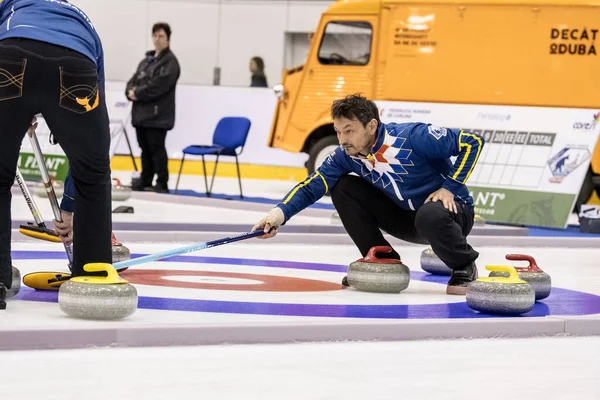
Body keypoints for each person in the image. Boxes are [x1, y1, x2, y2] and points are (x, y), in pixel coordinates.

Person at [253, 94, 485, 295]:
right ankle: (382, 257)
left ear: (372, 126)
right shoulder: (345, 155)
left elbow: (472, 142)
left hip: (451, 214)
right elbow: (312, 186)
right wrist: (277, 215)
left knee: (429, 215)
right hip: (407, 218)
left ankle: (464, 264)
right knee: (342, 187)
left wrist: (450, 188)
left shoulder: (412, 137)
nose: (342, 139)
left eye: (349, 131)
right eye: (338, 131)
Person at [0, 0, 112, 308]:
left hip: (9, 57)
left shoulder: (10, 7)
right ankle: (93, 280)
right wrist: (70, 206)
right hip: (76, 62)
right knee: (94, 175)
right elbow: (93, 151)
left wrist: (16, 110)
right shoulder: (82, 21)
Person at [126, 22, 180, 194]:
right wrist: (129, 91)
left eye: (161, 36)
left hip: (158, 116)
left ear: (168, 39)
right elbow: (132, 81)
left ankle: (162, 182)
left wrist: (138, 93)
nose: (157, 39)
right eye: (155, 35)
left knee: (157, 149)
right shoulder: (146, 61)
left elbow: (159, 86)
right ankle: (146, 178)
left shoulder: (171, 63)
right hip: (141, 115)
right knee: (144, 149)